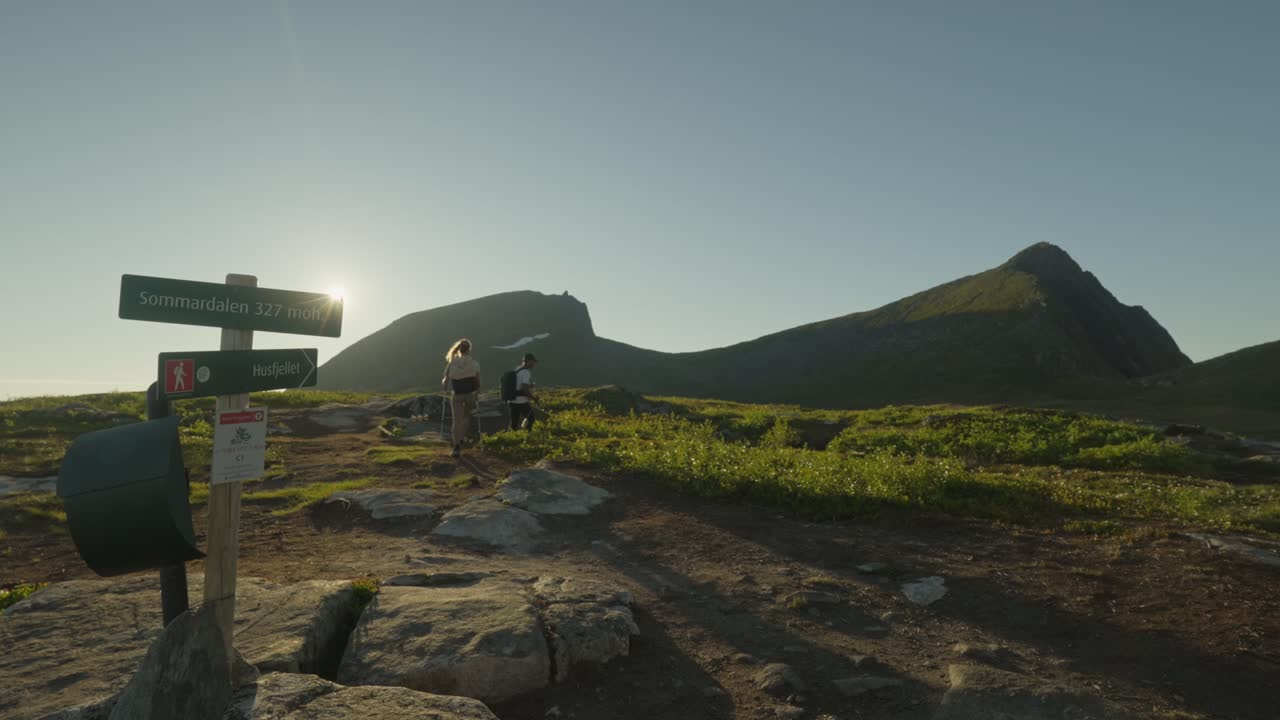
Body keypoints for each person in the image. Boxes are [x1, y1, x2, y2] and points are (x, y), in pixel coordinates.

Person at [442, 339, 480, 457]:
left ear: (458, 349)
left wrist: (445, 388)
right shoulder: (474, 363)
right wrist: (477, 392)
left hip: (457, 394)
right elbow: (477, 380)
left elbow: (445, 381)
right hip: (470, 394)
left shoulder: (452, 363)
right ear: (469, 349)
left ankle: (456, 445)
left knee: (456, 420)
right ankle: (462, 437)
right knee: (466, 417)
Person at [509, 353, 538, 431]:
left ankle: (511, 440)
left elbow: (519, 385)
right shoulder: (526, 372)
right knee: (531, 419)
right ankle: (527, 435)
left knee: (514, 423)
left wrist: (530, 386)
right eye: (533, 362)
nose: (534, 364)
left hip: (512, 399)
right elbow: (524, 389)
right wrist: (533, 398)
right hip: (521, 401)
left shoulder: (517, 369)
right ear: (528, 362)